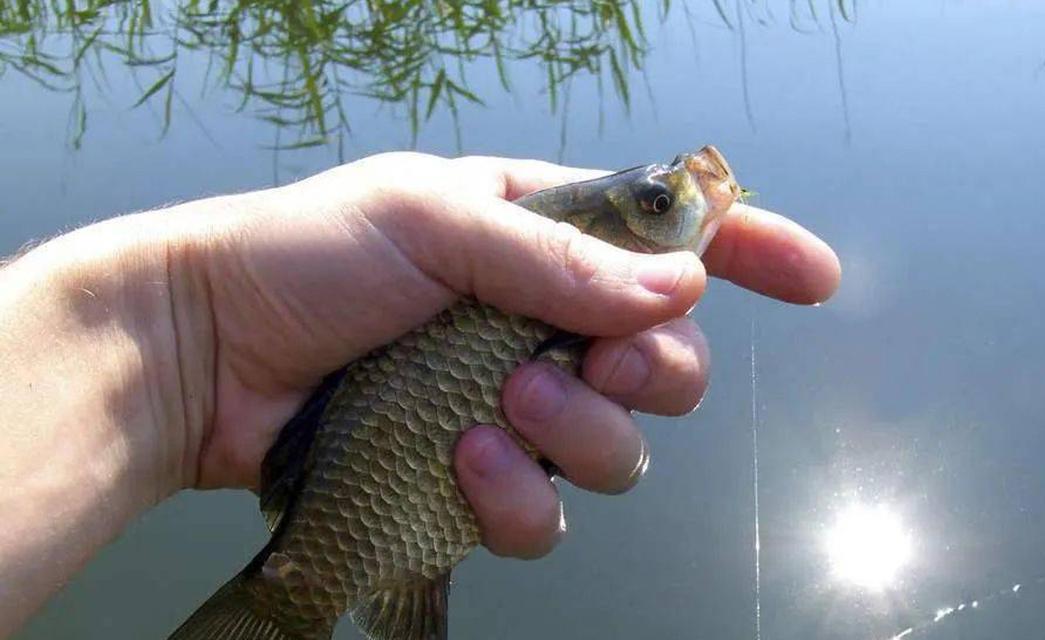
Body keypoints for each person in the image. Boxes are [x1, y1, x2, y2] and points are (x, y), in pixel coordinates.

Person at [0, 151, 840, 636]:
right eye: (656, 202)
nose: (682, 197)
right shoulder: (533, 265)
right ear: (591, 244)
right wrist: (194, 331)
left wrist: (191, 338)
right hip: (345, 470)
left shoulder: (545, 264)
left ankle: (387, 580)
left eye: (657, 202)